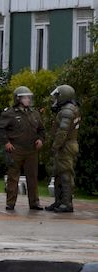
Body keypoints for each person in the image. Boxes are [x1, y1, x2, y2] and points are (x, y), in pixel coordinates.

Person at [0, 86, 44, 211]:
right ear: (18, 99)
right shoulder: (10, 113)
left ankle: (34, 202)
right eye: (25, 97)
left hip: (31, 149)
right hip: (16, 149)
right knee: (13, 177)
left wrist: (41, 140)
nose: (28, 100)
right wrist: (6, 142)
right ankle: (10, 203)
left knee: (32, 177)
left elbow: (41, 130)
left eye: (29, 97)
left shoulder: (34, 113)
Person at [47, 85, 81, 213]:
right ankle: (59, 201)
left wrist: (55, 146)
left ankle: (67, 203)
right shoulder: (71, 109)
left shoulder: (67, 111)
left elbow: (63, 131)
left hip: (66, 146)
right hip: (67, 145)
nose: (56, 99)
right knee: (58, 174)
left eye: (58, 96)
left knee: (66, 174)